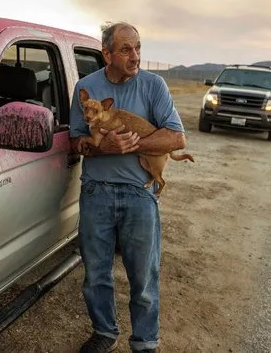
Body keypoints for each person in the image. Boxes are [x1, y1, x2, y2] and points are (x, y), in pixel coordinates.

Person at [69, 22, 187, 353]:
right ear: (106, 53)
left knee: (144, 279)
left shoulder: (153, 86)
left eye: (137, 48)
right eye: (125, 49)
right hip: (96, 192)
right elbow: (75, 141)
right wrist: (100, 148)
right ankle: (105, 332)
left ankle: (145, 343)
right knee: (96, 275)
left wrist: (131, 144)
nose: (135, 56)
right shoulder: (86, 88)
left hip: (139, 194)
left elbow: (177, 137)